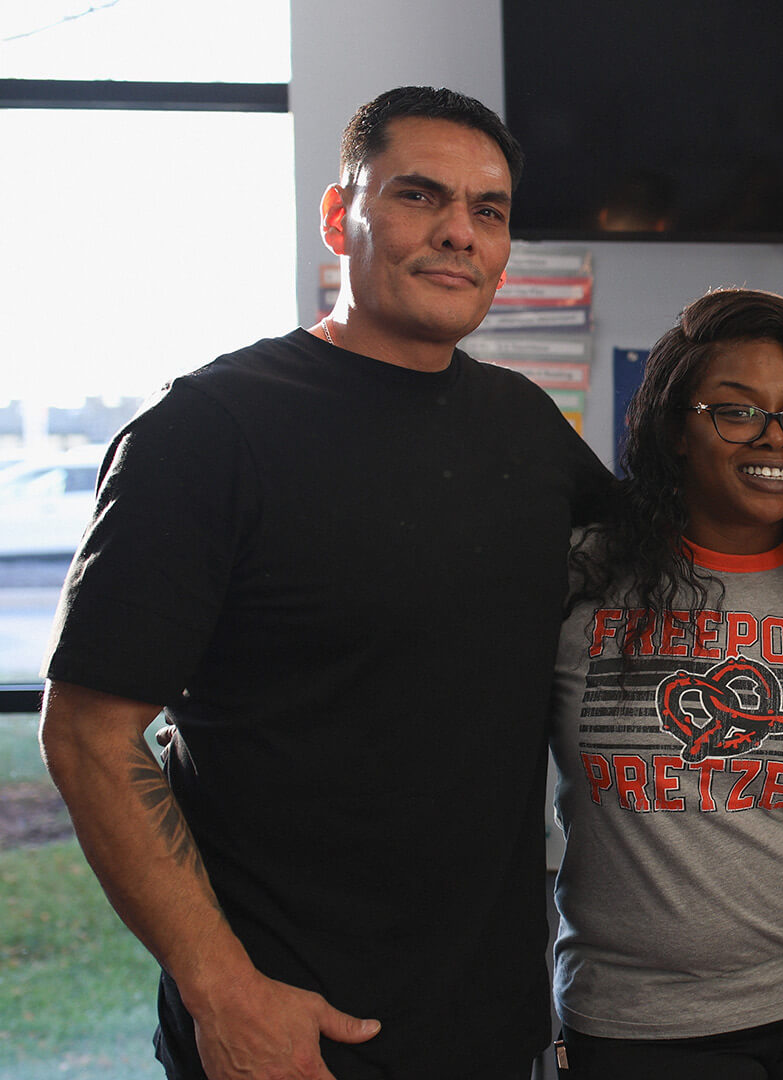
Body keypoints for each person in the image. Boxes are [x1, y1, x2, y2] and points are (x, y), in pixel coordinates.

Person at [38, 86, 611, 1080]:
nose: (458, 234)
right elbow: (86, 734)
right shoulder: (206, 435)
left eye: (489, 210)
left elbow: (691, 572)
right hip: (282, 1040)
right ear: (341, 216)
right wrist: (222, 991)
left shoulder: (528, 434)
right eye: (419, 197)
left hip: (494, 1031)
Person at [548, 289, 783, 1079]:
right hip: (638, 1021)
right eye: (737, 410)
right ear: (674, 428)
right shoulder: (580, 578)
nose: (775, 437)